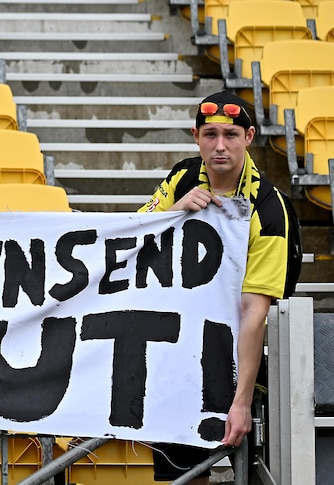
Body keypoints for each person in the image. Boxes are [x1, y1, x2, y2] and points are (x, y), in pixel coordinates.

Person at [139, 90, 293, 483]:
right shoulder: (183, 175)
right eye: (210, 135)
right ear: (195, 136)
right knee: (177, 474)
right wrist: (176, 210)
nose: (219, 146)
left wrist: (240, 402)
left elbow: (253, 312)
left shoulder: (269, 209)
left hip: (236, 353)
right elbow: (133, 235)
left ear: (250, 137)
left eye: (230, 134)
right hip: (175, 346)